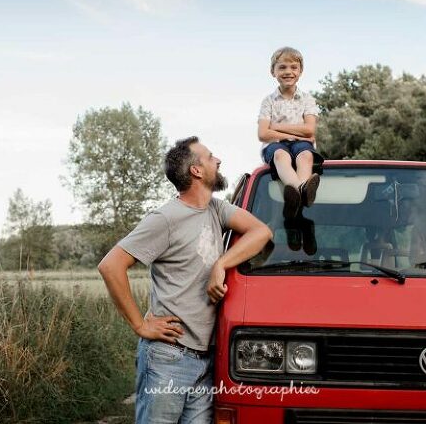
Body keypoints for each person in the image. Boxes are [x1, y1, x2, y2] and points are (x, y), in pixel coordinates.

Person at [98, 136, 271, 424]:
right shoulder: (166, 218)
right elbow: (111, 265)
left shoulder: (216, 209)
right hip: (169, 357)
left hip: (205, 360)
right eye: (211, 156)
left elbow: (261, 232)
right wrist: (140, 325)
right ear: (196, 171)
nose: (218, 160)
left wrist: (222, 263)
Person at [257, 46, 323, 219]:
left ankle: (297, 195)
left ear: (300, 71)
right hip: (276, 145)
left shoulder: (307, 99)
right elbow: (263, 134)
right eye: (282, 67)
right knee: (280, 156)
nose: (288, 72)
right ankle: (300, 189)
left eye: (294, 67)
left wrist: (276, 127)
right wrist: (295, 133)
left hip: (299, 144)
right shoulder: (268, 101)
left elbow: (309, 130)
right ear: (273, 71)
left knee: (306, 156)